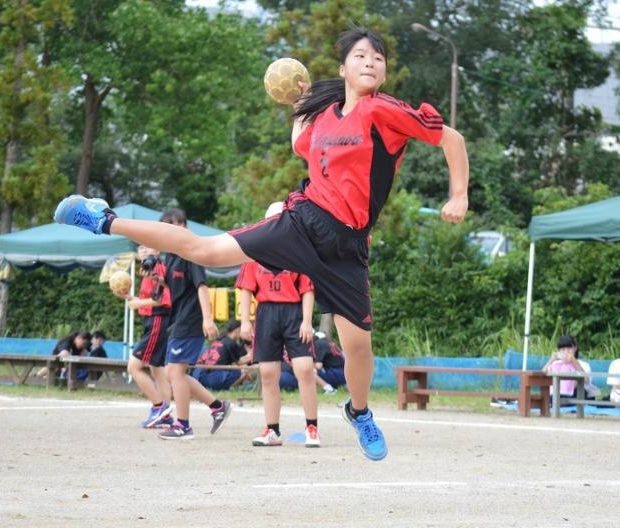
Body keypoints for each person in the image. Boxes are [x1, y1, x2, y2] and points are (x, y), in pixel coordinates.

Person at [53, 26, 469, 461]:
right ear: (343, 68)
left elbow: (451, 139)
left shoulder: (384, 110)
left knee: (359, 348)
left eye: (378, 58)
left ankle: (359, 412)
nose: (370, 62)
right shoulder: (324, 120)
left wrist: (458, 195)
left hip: (347, 246)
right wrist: (301, 105)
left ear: (383, 72)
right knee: (205, 250)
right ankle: (103, 220)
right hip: (302, 221)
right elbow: (300, 144)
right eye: (360, 56)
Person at [236, 215, 319, 448]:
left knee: (305, 369)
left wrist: (307, 321)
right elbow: (245, 289)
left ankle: (312, 428)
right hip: (266, 313)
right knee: (267, 373)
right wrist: (244, 322)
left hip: (294, 313)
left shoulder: (299, 251)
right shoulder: (254, 252)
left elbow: (308, 289)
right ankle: (272, 430)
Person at [156, 209, 231, 440]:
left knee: (175, 371)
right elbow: (176, 287)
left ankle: (183, 426)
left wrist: (208, 319)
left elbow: (201, 286)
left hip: (192, 319)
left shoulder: (191, 253)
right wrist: (158, 280)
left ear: (184, 227)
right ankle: (217, 407)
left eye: (174, 226)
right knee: (173, 373)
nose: (169, 231)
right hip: (178, 319)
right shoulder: (170, 255)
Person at [118, 245, 174, 429]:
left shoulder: (158, 268)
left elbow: (164, 299)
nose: (142, 250)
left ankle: (159, 407)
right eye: (140, 247)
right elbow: (152, 298)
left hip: (158, 320)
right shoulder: (149, 268)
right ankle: (165, 416)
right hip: (156, 320)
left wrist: (138, 303)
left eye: (147, 246)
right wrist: (130, 298)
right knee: (157, 369)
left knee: (133, 367)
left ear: (158, 250)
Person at [191, 320, 252, 391]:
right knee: (243, 370)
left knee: (235, 368)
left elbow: (234, 362)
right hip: (209, 378)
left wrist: (248, 356)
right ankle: (231, 388)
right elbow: (239, 362)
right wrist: (251, 355)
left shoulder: (219, 341)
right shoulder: (231, 343)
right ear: (237, 330)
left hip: (196, 376)